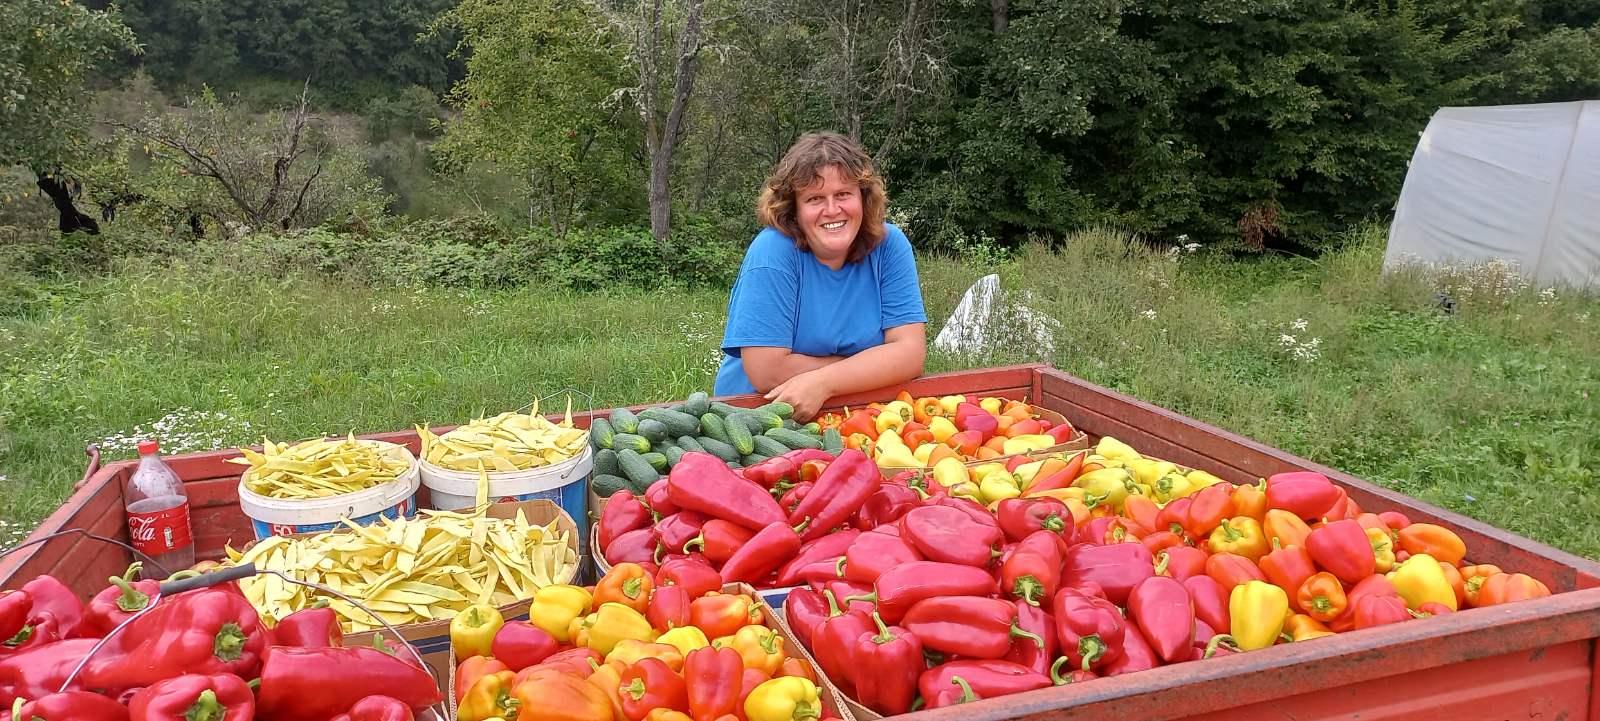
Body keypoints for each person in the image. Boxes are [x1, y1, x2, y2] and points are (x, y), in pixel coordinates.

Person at [712, 132, 927, 421]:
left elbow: (911, 354)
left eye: (843, 194)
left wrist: (824, 382)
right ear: (794, 209)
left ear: (863, 198)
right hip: (760, 418)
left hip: (854, 414)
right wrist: (871, 365)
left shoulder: (889, 246)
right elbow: (766, 372)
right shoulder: (772, 251)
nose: (832, 210)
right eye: (815, 198)